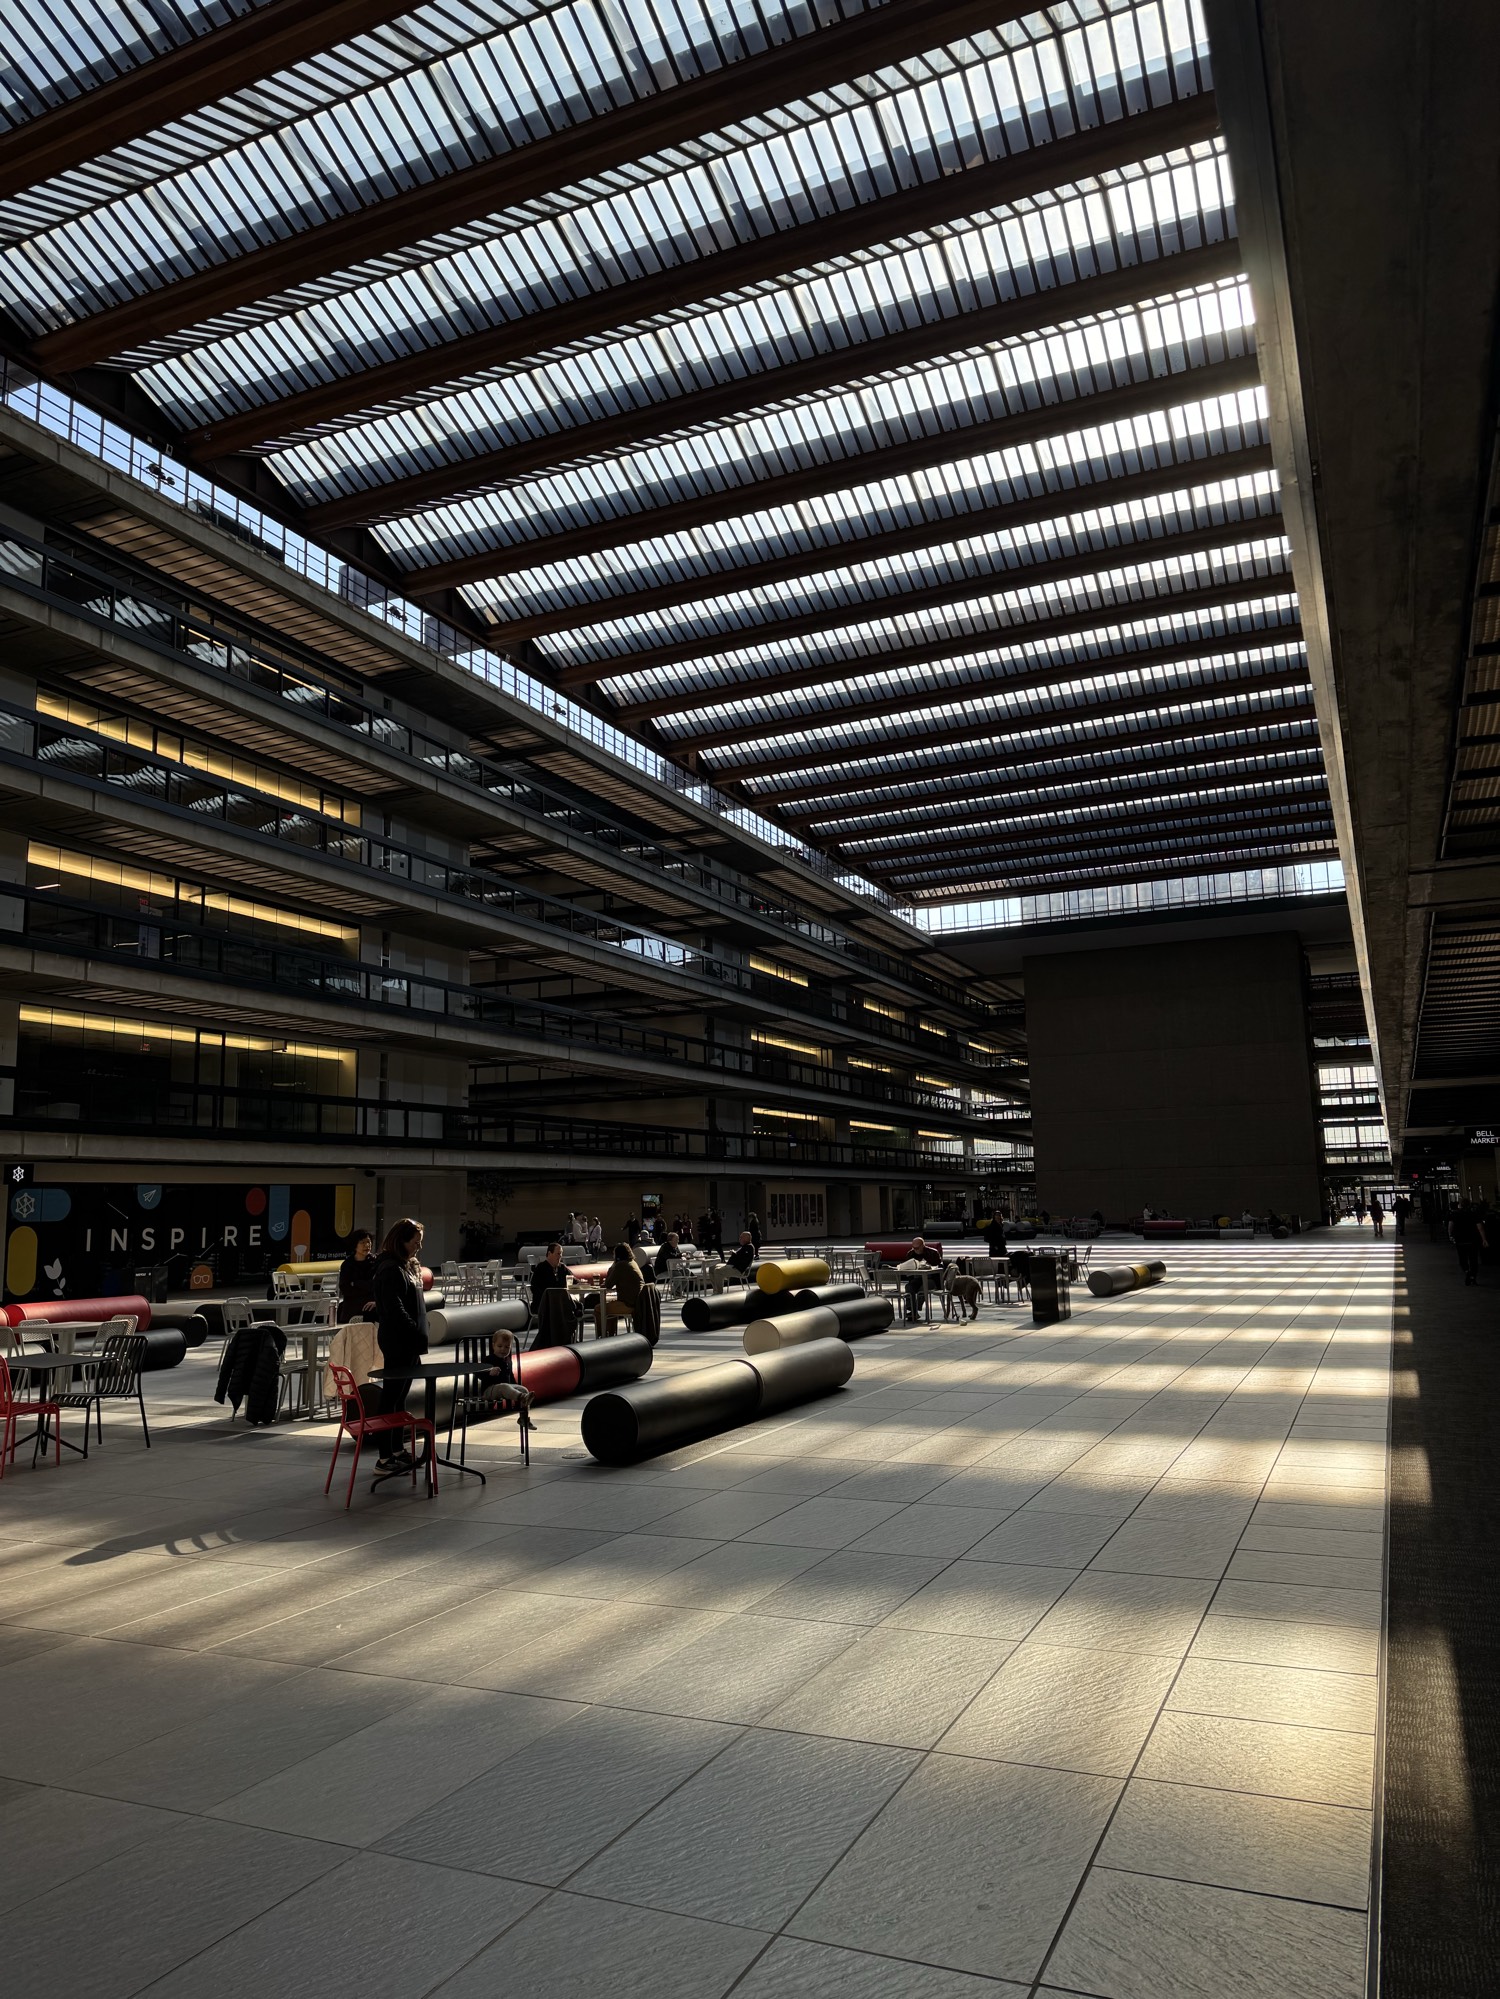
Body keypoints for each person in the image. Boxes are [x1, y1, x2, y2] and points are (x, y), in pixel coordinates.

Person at [372, 1218, 428, 1471]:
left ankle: (396, 1448)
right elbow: (394, 1307)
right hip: (399, 1340)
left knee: (400, 1398)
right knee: (391, 1397)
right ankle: (384, 1456)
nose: (418, 1247)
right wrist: (413, 1328)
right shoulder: (390, 1269)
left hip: (410, 1340)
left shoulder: (405, 1267)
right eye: (415, 1242)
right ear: (401, 1241)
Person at [472, 1328, 536, 1431]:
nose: (503, 1349)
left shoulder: (508, 1360)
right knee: (504, 1386)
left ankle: (524, 1418)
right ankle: (522, 1397)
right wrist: (489, 1373)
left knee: (523, 1389)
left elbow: (511, 1376)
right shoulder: (488, 1359)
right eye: (500, 1346)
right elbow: (478, 1374)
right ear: (493, 1346)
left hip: (505, 1389)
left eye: (507, 1347)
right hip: (489, 1390)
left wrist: (517, 1386)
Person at [337, 1229, 377, 1323]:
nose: (367, 1245)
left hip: (371, 1306)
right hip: (352, 1307)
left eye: (368, 1242)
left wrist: (355, 1283)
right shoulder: (347, 1265)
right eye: (362, 1242)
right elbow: (345, 1289)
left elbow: (375, 1285)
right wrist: (366, 1286)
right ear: (355, 1245)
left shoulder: (376, 1262)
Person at [901, 1235, 942, 1324]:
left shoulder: (933, 1252)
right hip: (916, 1278)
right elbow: (906, 1266)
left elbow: (939, 1266)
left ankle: (915, 1310)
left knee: (923, 1289)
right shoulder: (910, 1254)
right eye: (914, 1248)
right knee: (909, 1287)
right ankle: (912, 1310)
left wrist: (929, 1266)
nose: (915, 1250)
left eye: (917, 1247)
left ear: (923, 1245)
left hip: (931, 1278)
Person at [1450, 1203, 1488, 1285]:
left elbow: (1450, 1226)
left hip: (1460, 1240)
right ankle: (1473, 1276)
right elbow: (1480, 1228)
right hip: (1472, 1240)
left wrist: (1451, 1235)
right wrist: (1484, 1239)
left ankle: (1467, 1271)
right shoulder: (1474, 1214)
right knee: (1473, 1259)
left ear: (1460, 1206)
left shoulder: (1455, 1214)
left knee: (1462, 1258)